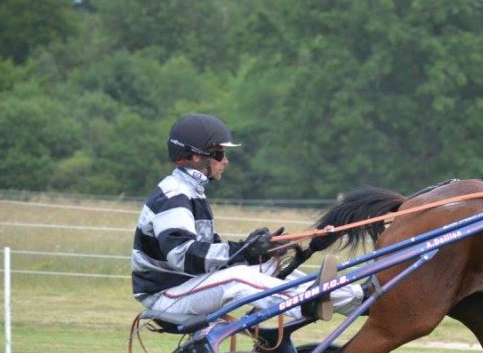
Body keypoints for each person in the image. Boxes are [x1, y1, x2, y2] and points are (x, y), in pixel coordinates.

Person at [131, 113, 363, 327]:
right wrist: (244, 250)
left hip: (188, 284)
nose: (226, 161)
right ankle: (305, 303)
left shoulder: (192, 192)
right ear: (195, 156)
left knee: (268, 265)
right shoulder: (174, 195)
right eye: (220, 153)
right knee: (237, 278)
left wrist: (256, 251)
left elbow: (207, 253)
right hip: (165, 294)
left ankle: (357, 297)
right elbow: (182, 255)